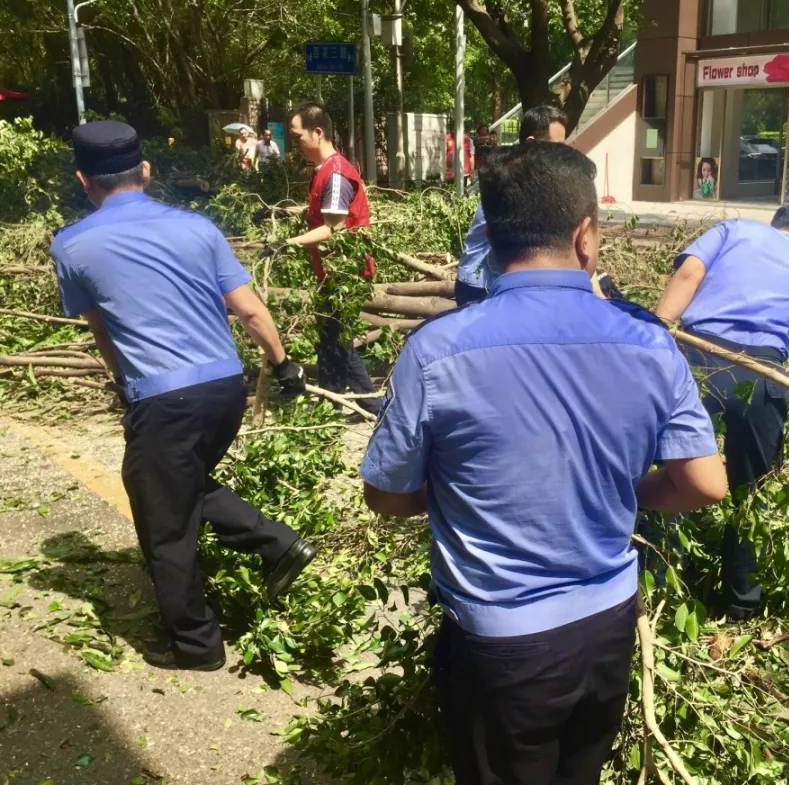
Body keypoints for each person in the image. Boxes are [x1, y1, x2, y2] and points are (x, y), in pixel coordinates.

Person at [361, 141, 727, 785]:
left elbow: (387, 497)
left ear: (491, 238)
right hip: (608, 623)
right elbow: (705, 484)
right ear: (585, 236)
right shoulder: (649, 342)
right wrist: (621, 489)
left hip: (502, 640)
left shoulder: (436, 351)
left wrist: (458, 491)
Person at [50, 121, 317, 671]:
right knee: (179, 483)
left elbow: (102, 330)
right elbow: (250, 310)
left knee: (162, 519)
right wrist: (283, 363)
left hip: (164, 398)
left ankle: (197, 645)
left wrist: (124, 384)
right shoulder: (198, 227)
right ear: (146, 171)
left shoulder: (72, 244)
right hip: (224, 391)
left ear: (84, 181)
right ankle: (277, 544)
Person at [655, 205, 789, 620]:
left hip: (696, 361)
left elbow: (690, 272)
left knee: (672, 466)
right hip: (762, 377)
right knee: (750, 495)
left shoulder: (734, 230)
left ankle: (661, 578)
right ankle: (740, 605)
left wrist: (654, 332)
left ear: (776, 225)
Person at [283, 101, 380, 414]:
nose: (294, 144)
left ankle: (370, 405)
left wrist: (287, 243)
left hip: (346, 273)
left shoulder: (336, 173)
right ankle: (335, 403)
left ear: (318, 132)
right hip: (332, 271)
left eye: (297, 137)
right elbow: (323, 211)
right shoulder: (323, 170)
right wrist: (288, 212)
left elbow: (332, 229)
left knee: (336, 341)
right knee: (329, 339)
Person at [454, 105, 568, 306]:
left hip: (500, 283)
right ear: (531, 143)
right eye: (556, 147)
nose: (561, 155)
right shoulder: (510, 180)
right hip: (480, 285)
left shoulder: (531, 178)